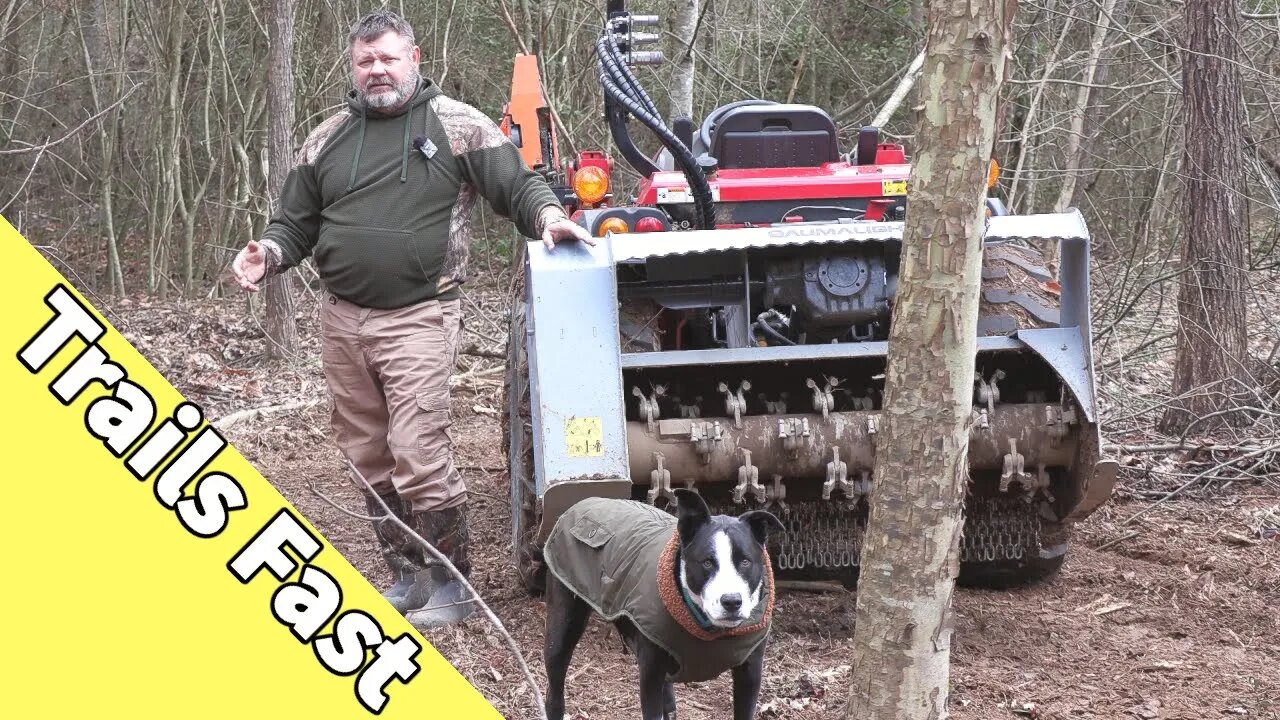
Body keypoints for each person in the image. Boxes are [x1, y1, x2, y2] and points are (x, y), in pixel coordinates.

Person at [230, 9, 592, 628]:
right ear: (353, 67)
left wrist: (549, 217)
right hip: (342, 320)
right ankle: (407, 575)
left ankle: (453, 586)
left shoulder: (456, 125)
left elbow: (518, 184)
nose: (377, 71)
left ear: (415, 59)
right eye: (365, 61)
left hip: (421, 316)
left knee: (417, 450)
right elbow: (295, 222)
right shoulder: (327, 138)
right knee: (366, 453)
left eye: (388, 58)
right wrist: (270, 253)